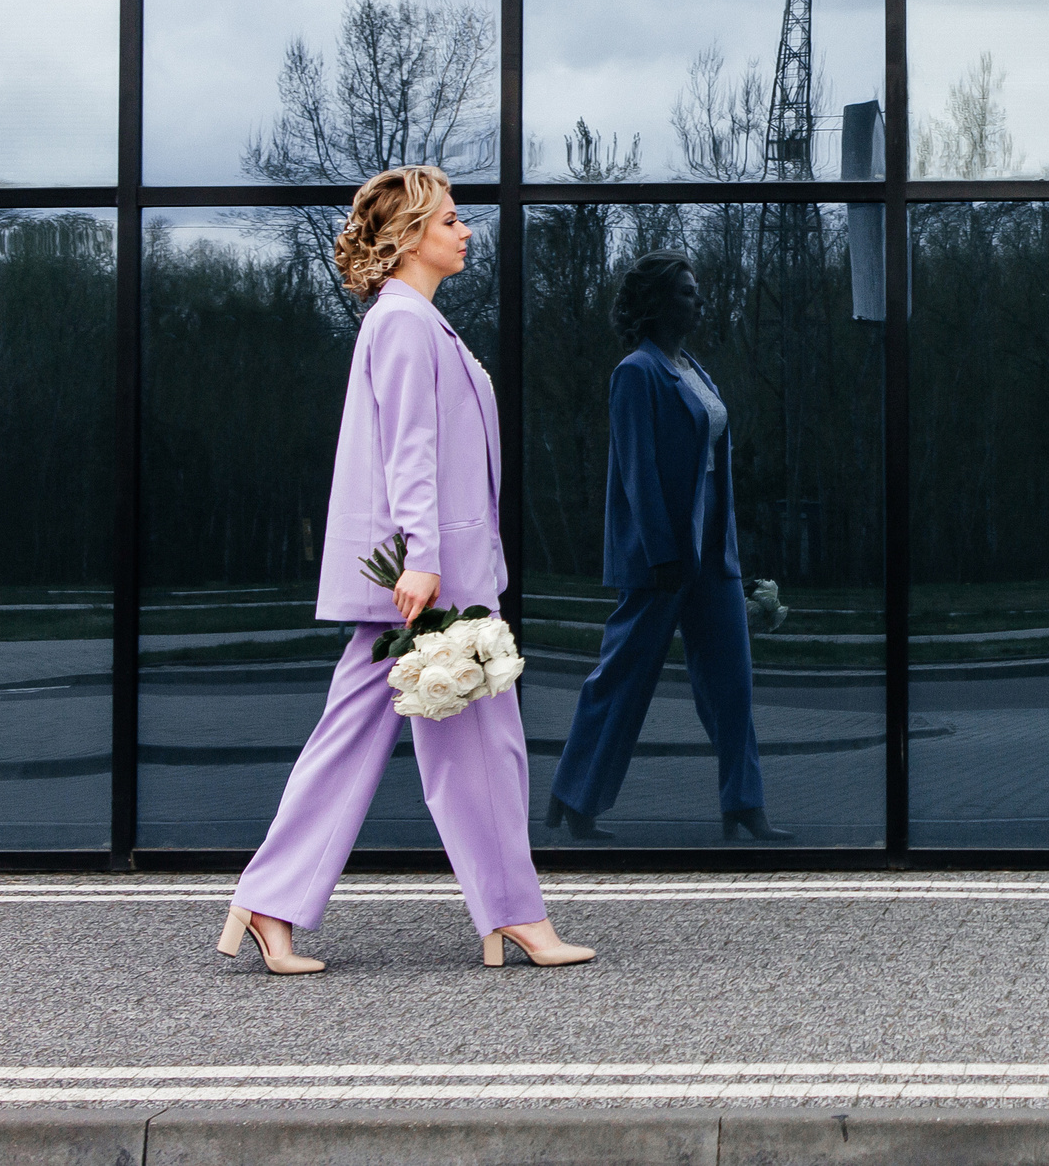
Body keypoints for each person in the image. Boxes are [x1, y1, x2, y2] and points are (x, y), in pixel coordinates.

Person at [219, 165, 593, 974]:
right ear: (412, 234)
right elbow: (409, 454)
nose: (465, 231)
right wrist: (422, 558)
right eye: (451, 219)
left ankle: (499, 911)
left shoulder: (419, 321)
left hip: (434, 572)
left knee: (448, 745)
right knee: (458, 746)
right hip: (423, 578)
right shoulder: (402, 323)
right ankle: (507, 914)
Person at [545, 252, 788, 842]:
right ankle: (574, 798)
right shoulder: (637, 371)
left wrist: (727, 550)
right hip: (663, 556)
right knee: (623, 677)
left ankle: (744, 805)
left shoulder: (696, 370)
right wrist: (662, 551)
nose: (697, 300)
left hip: (714, 557)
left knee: (733, 683)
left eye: (697, 291)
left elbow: (711, 469)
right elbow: (638, 471)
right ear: (656, 303)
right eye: (685, 292)